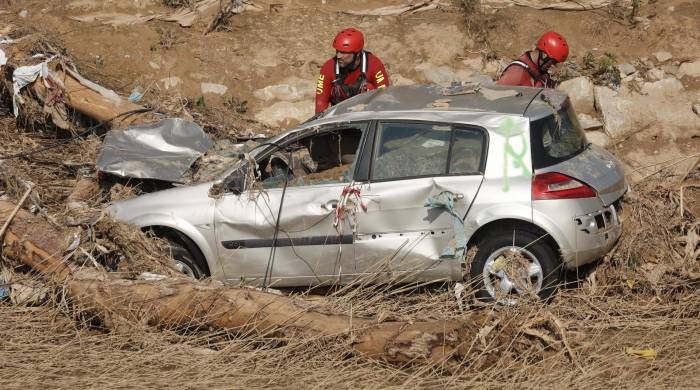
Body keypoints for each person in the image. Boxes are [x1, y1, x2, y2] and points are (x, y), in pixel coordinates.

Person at [315, 28, 390, 114]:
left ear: (357, 53)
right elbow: (321, 103)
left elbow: (384, 98)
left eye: (343, 52)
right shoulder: (328, 67)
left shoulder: (374, 64)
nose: (338, 56)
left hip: (367, 114)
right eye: (337, 51)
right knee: (336, 89)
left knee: (368, 88)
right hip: (339, 115)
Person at [497, 31, 569, 88]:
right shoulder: (517, 73)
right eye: (552, 62)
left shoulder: (540, 70)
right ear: (544, 55)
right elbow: (496, 99)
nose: (552, 66)